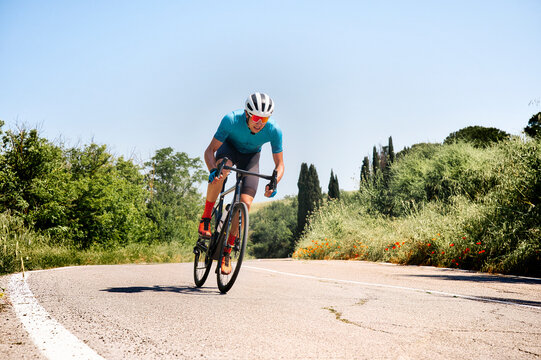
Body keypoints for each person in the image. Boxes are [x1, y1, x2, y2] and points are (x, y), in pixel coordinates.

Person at [199, 92, 284, 275]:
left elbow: (280, 164)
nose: (259, 123)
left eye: (264, 119)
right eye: (255, 117)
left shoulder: (274, 130)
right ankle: (206, 218)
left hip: (251, 158)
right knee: (223, 172)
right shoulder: (231, 120)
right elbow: (209, 151)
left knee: (245, 203)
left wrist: (274, 182)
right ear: (246, 113)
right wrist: (213, 170)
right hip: (228, 150)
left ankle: (227, 251)